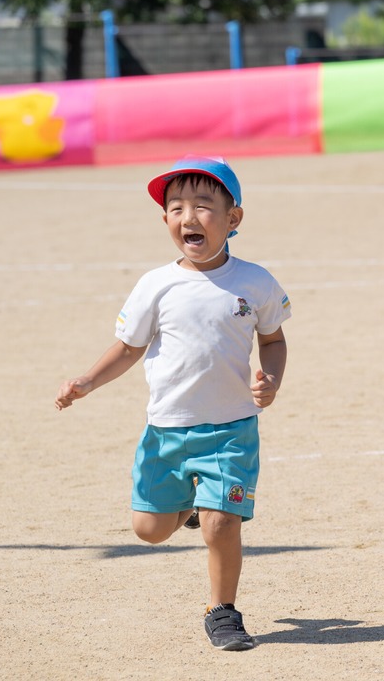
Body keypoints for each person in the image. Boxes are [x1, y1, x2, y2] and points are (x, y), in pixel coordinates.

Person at [54, 155, 291, 651]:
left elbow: (273, 338)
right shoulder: (155, 285)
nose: (189, 216)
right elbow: (128, 347)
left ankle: (222, 611)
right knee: (149, 530)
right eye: (177, 207)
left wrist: (271, 376)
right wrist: (88, 381)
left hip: (231, 429)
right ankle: (186, 505)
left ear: (234, 219)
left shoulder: (255, 282)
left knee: (221, 524)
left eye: (204, 206)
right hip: (167, 431)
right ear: (166, 221)